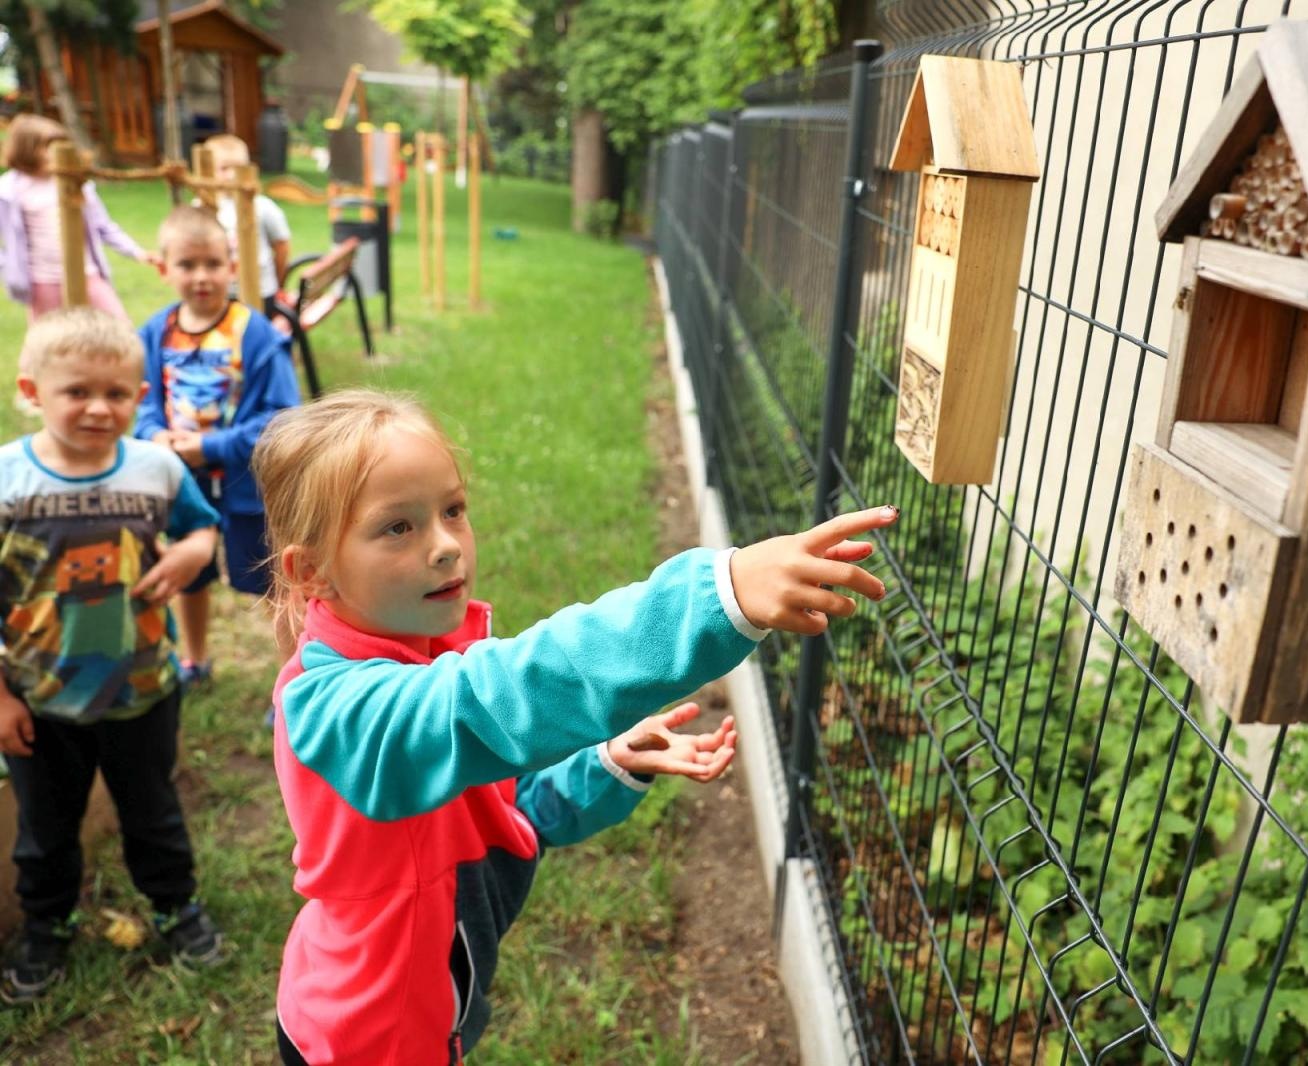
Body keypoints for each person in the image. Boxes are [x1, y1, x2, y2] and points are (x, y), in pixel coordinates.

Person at [251, 389, 896, 1065]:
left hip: (428, 1015)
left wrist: (608, 763)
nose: (445, 546)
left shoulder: (426, 655)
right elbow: (499, 697)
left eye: (453, 510)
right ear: (312, 571)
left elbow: (512, 815)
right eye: (397, 528)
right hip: (366, 1041)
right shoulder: (336, 710)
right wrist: (718, 596)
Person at [0, 309, 226, 1004]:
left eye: (117, 393)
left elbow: (203, 531)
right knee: (44, 828)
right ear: (32, 391)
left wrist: (189, 554)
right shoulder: (8, 480)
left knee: (153, 810)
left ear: (140, 395)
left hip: (143, 689)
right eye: (77, 392)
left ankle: (175, 906)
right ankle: (47, 924)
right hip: (40, 700)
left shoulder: (157, 469)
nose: (99, 408)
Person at [134, 205, 301, 688]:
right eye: (187, 265)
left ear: (232, 266)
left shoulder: (256, 333)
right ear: (164, 269)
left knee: (274, 582)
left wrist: (212, 446)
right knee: (189, 574)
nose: (201, 276)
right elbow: (142, 401)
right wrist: (153, 435)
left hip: (248, 488)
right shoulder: (155, 332)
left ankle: (293, 685)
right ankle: (195, 659)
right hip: (182, 485)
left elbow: (282, 416)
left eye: (212, 263)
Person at [0, 113, 159, 322]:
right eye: (47, 147)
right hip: (43, 280)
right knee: (51, 336)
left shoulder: (77, 183)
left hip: (86, 273)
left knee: (117, 326)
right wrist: (9, 268)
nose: (55, 153)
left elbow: (104, 227)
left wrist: (137, 252)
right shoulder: (9, 191)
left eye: (60, 146)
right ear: (26, 150)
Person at [202, 133, 291, 308]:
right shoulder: (203, 207)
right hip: (219, 295)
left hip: (260, 293)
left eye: (238, 168)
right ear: (209, 170)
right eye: (224, 168)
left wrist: (276, 282)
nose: (231, 175)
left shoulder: (263, 207)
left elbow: (282, 246)